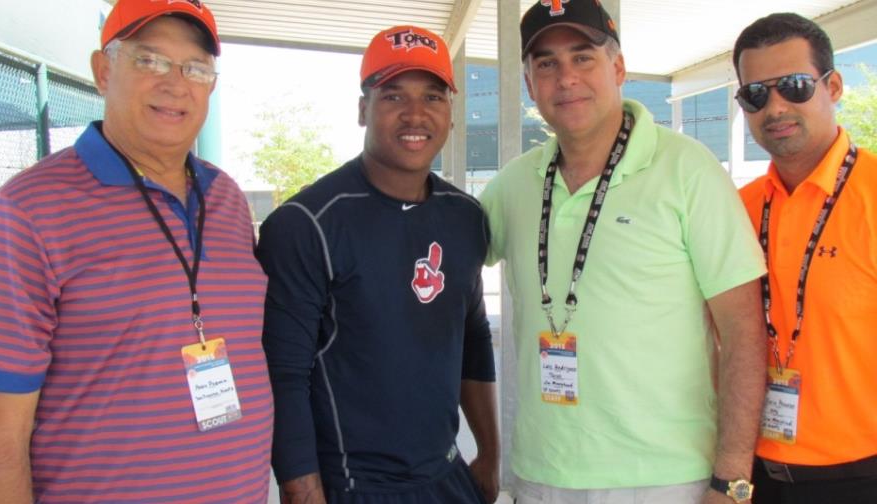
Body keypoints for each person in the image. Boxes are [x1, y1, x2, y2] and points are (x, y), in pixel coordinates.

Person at [0, 1, 273, 502]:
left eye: (195, 68)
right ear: (102, 71)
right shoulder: (26, 211)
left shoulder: (224, 197)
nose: (175, 83)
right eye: (149, 60)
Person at [480, 1, 769, 503]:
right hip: (541, 475)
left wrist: (732, 479)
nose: (566, 78)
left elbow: (743, 330)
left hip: (665, 478)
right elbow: (431, 257)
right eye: (546, 64)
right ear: (529, 85)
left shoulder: (687, 169)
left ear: (618, 69)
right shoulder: (512, 185)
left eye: (583, 57)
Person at [256, 25, 499, 504]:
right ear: (363, 109)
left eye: (433, 96)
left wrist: (490, 455)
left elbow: (472, 336)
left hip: (446, 477)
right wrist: (301, 488)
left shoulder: (465, 216)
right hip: (351, 486)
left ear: (450, 111)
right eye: (393, 96)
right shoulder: (306, 224)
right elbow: (284, 373)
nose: (415, 113)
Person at [732, 13, 877, 504]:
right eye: (755, 94)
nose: (775, 107)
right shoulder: (737, 209)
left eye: (793, 86)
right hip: (751, 475)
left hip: (861, 478)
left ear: (832, 86)